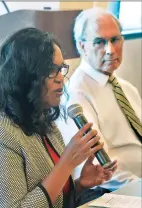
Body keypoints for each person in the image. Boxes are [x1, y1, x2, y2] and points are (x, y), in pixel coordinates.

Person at [0, 28, 117, 208]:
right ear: (24, 75)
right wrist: (67, 164)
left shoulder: (44, 122)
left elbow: (55, 200)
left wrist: (80, 185)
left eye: (61, 69)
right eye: (51, 70)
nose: (61, 78)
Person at [56, 7, 141, 192]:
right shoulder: (76, 95)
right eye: (99, 42)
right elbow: (98, 166)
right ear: (82, 46)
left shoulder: (127, 88)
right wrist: (138, 187)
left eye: (115, 40)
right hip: (117, 191)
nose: (110, 50)